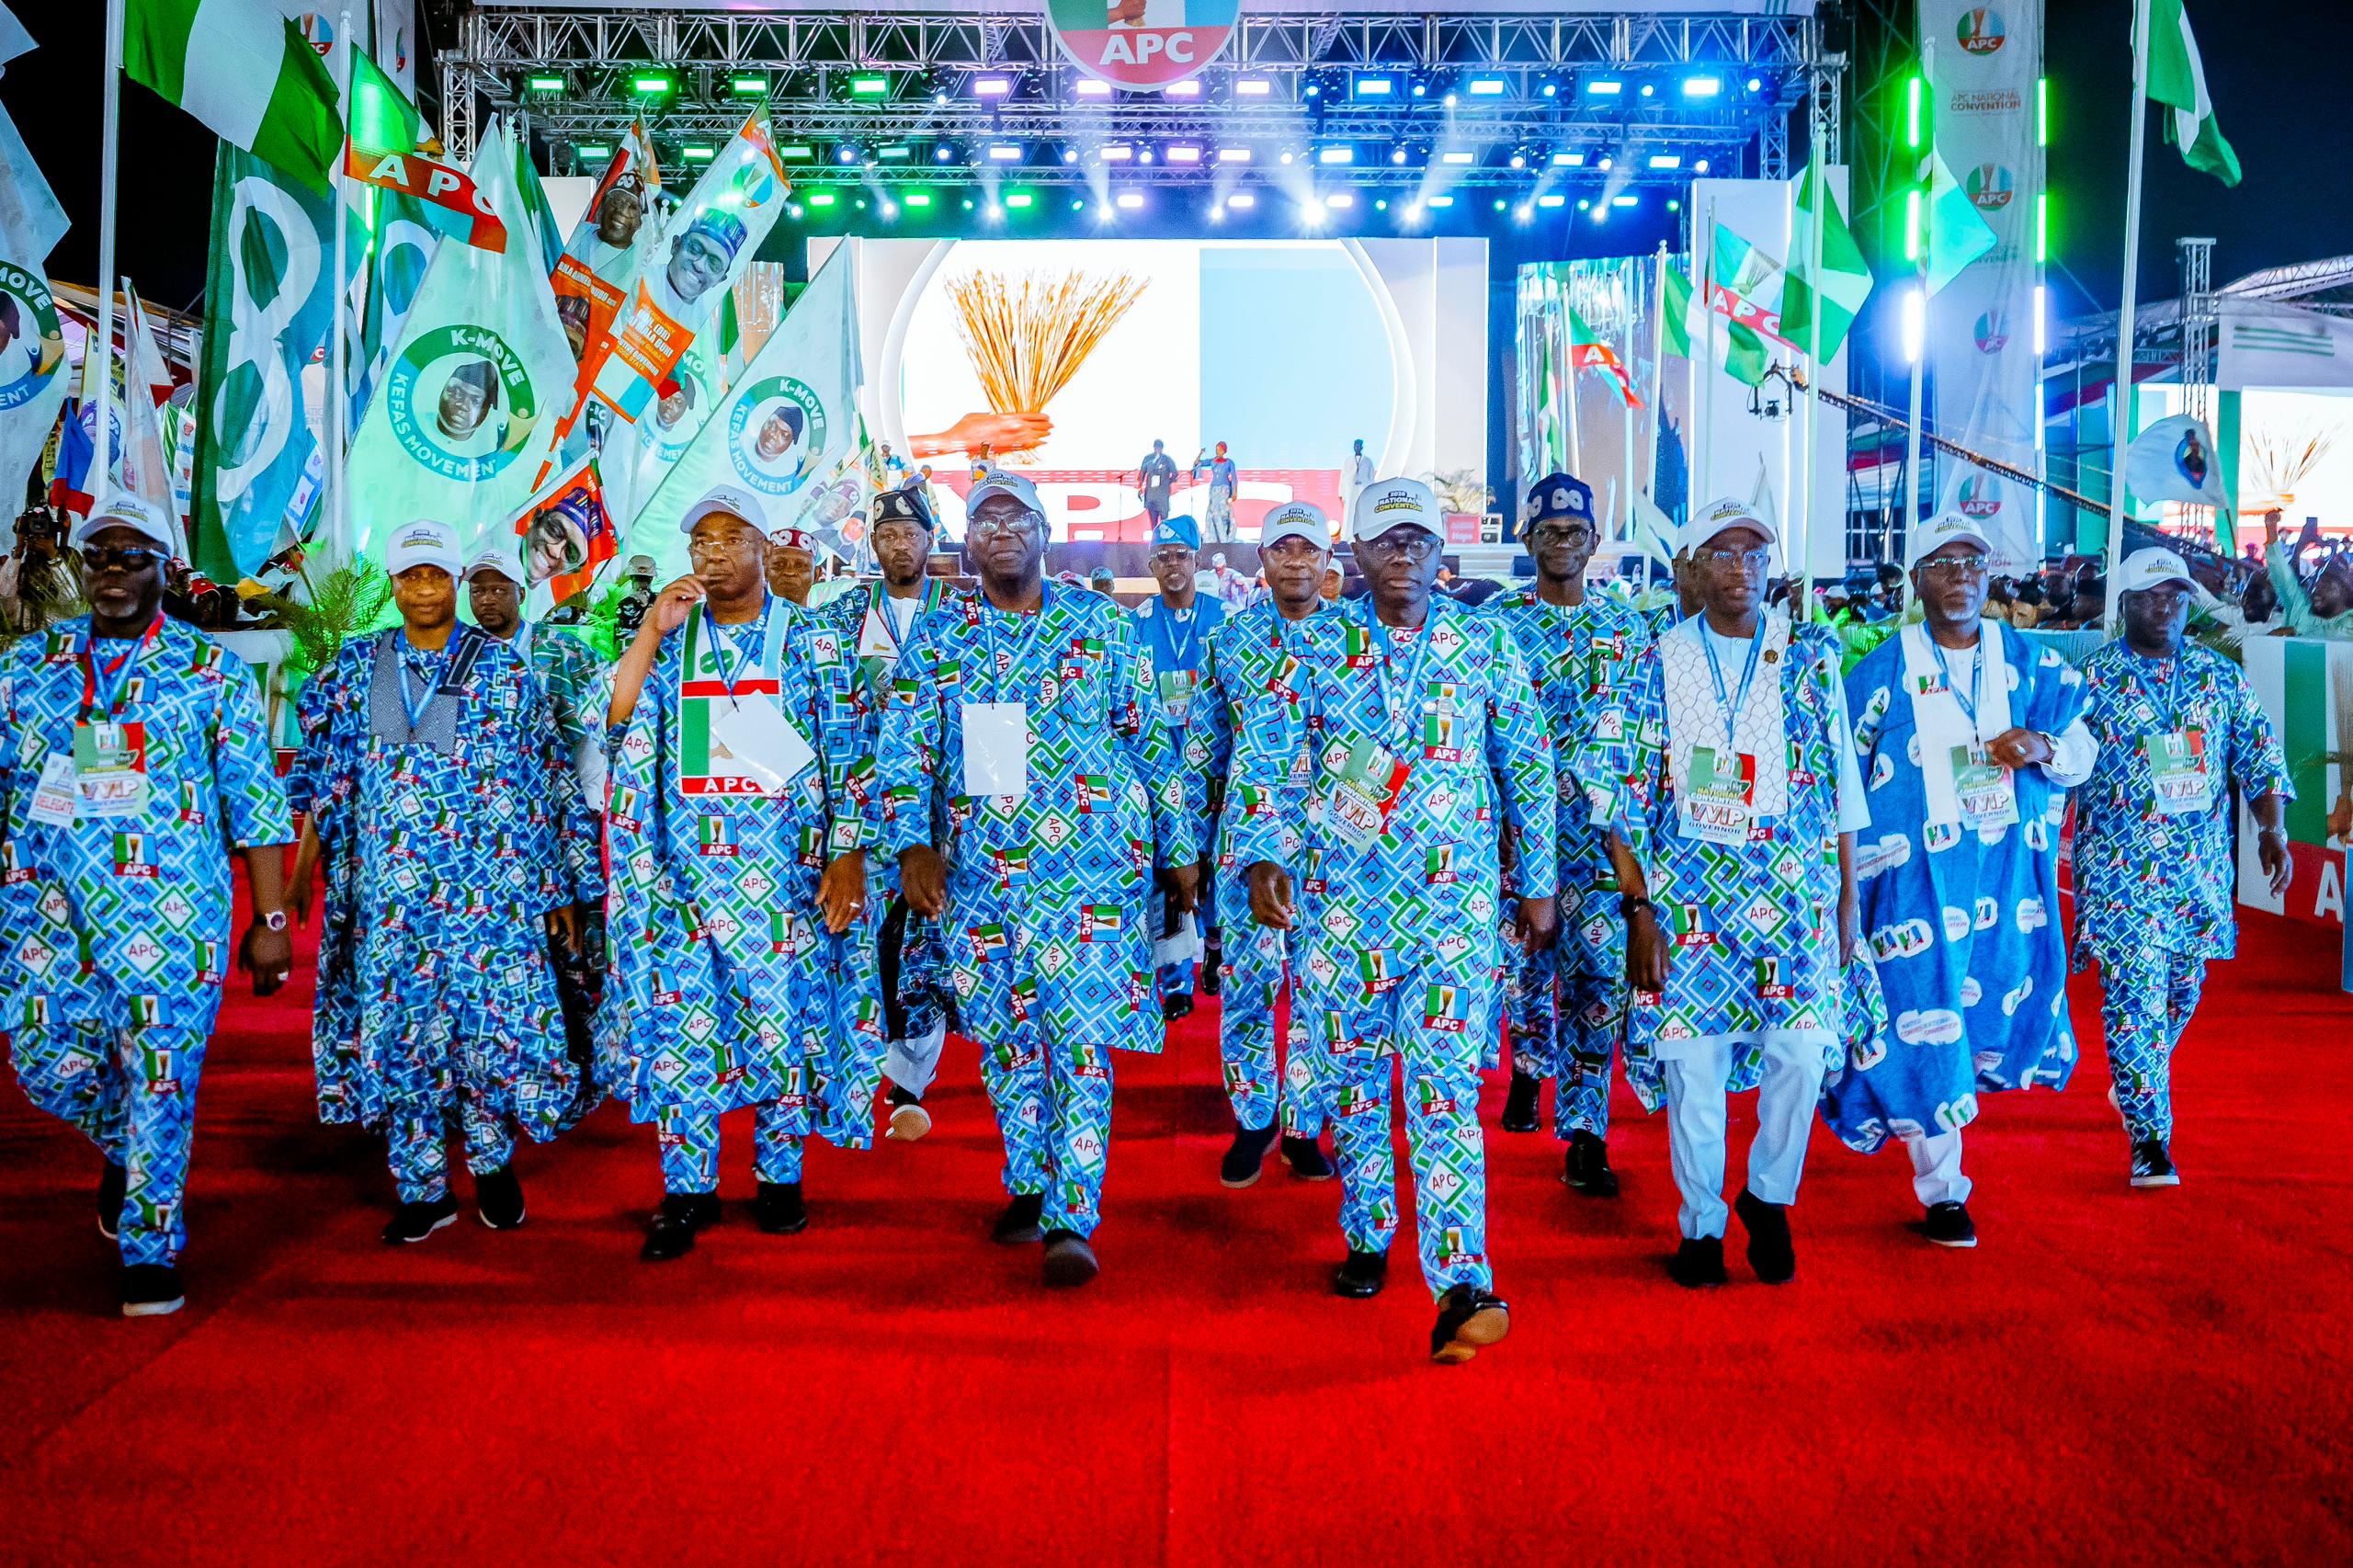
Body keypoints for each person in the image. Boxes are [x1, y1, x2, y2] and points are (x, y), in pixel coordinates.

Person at [1235, 476, 1558, 1363]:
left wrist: (1537, 882)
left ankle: (1461, 1282)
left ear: (1441, 551)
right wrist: (1263, 855)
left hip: (1454, 912)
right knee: (1355, 1089)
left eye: (1418, 539)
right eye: (1387, 541)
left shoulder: (1483, 643)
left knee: (1445, 1091)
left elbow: (1526, 764)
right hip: (1342, 913)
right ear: (1356, 554)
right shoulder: (1311, 646)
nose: (1404, 554)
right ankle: (1368, 1230)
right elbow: (1269, 761)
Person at [876, 470, 1199, 1289]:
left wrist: (1180, 846)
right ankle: (1029, 1181)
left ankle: (1072, 1216)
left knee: (1081, 1040)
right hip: (985, 876)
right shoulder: (941, 639)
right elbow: (905, 751)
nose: (1002, 531)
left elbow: (1150, 741)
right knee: (1009, 1040)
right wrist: (911, 844)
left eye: (1017, 517)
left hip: (1096, 872)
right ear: (967, 544)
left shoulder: (1104, 625)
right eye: (985, 520)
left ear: (1047, 534)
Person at [0, 495, 293, 1317]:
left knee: (162, 1077)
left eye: (132, 557)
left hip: (171, 915)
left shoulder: (210, 673)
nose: (113, 572)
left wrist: (270, 921)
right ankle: (132, 1151)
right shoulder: (29, 667)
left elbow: (257, 803)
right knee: (43, 1062)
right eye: (99, 556)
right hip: (45, 911)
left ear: (166, 569)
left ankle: (150, 1251)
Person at [290, 518, 601, 1244]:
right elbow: (327, 778)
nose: (424, 588)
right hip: (391, 905)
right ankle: (423, 1188)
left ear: (455, 581)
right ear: (394, 584)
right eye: (411, 576)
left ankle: (491, 1164)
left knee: (486, 1033)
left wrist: (565, 887)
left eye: (436, 574)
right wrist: (303, 870)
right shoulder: (361, 666)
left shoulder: (503, 672)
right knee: (403, 1039)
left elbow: (547, 781)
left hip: (490, 900)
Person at [1597, 497, 1875, 1290]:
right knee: (1695, 1069)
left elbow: (1842, 782)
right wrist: (1639, 909)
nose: (1741, 569)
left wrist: (1847, 896)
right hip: (1686, 901)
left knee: (1804, 1052)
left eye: (1755, 555)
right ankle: (1701, 1226)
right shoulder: (1655, 660)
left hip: (1794, 898)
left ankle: (1769, 1195)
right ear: (1691, 568)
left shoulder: (1809, 658)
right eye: (1722, 553)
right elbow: (1617, 794)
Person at [600, 485, 883, 1259]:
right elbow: (618, 723)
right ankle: (687, 1191)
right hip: (685, 885)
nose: (714, 553)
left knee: (782, 1024)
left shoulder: (811, 639)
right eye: (702, 542)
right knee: (685, 1032)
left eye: (731, 539)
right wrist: (650, 632)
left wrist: (848, 853)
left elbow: (853, 753)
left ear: (764, 546)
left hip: (785, 883)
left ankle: (779, 1177)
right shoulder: (675, 642)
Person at [1825, 514, 2097, 1246]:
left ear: (1990, 577)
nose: (1960, 579)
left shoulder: (2032, 661)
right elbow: (1838, 780)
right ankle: (1944, 1189)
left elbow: (2083, 751)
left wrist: (2043, 745)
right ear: (1917, 582)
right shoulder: (1879, 672)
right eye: (1943, 565)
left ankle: (1944, 1136)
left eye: (1973, 564)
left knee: (1992, 1014)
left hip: (2008, 881)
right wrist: (1844, 886)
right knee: (1925, 1019)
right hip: (1913, 885)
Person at [2072, 547, 2293, 1187]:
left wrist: (2272, 830)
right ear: (2125, 604)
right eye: (2149, 596)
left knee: (2181, 992)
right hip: (2118, 871)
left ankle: (2137, 1074)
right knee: (2134, 997)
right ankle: (2150, 1139)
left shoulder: (2219, 677)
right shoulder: (2090, 681)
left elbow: (2260, 757)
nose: (2164, 607)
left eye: (2175, 595)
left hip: (2198, 871)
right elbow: (2059, 764)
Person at [1483, 473, 1654, 1198]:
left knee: (1598, 983)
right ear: (1527, 540)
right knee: (1525, 968)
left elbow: (1644, 737)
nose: (1562, 542)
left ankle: (1587, 1133)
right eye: (1549, 531)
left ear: (1594, 540)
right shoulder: (1494, 624)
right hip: (1520, 834)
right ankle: (1529, 1068)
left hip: (1601, 841)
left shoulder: (1628, 628)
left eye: (1575, 531)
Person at [1186, 501, 1339, 1187]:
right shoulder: (1230, 641)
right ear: (1263, 560)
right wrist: (1190, 846)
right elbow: (1204, 750)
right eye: (1283, 549)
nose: (1296, 561)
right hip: (1247, 847)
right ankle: (1253, 1120)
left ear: (1328, 560)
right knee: (1248, 984)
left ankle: (1304, 1125)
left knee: (1320, 989)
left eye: (1309, 548)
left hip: (1338, 847)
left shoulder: (1358, 641)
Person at [817, 483, 963, 1142]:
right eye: (886, 536)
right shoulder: (842, 615)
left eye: (910, 534)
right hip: (862, 802)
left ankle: (910, 1081)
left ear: (930, 540)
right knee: (864, 936)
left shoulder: (960, 614)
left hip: (939, 809)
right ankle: (857, 1067)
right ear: (872, 544)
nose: (899, 546)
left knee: (927, 934)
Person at [1132, 510, 1224, 1018]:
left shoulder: (1225, 617)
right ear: (1151, 564)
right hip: (1158, 764)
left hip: (1213, 766)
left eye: (1181, 556)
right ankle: (1174, 980)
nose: (1173, 565)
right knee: (1165, 870)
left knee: (1212, 863)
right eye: (1163, 557)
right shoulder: (1136, 622)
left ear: (1196, 561)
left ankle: (1213, 946)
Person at [2265, 512, 2353, 638]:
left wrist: (2295, 631)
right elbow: (2282, 573)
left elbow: (2333, 633)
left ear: (2344, 593)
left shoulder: (2349, 620)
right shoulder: (2301, 606)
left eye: (2327, 586)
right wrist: (2271, 529)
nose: (2316, 591)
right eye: (2316, 585)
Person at [435, 359, 499, 444]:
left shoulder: (490, 443)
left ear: (487, 409)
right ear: (442, 391)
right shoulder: (418, 423)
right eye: (455, 393)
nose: (463, 405)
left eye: (475, 401)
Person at [1199, 442, 1238, 544]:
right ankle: (1212, 536)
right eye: (1217, 450)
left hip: (1224, 489)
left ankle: (1224, 537)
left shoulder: (1229, 462)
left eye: (1220, 450)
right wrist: (1200, 453)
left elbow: (1234, 478)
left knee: (1222, 512)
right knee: (1212, 511)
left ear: (1224, 451)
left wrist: (1234, 492)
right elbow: (1198, 463)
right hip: (1213, 489)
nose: (1218, 452)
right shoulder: (1213, 461)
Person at [767, 526, 816, 607]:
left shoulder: (830, 614)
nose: (789, 572)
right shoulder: (749, 613)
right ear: (766, 571)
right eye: (779, 564)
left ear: (816, 574)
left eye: (799, 565)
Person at [1138, 439, 1178, 530]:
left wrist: (1168, 482)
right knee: (1153, 522)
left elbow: (1175, 473)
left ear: (1162, 448)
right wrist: (1140, 488)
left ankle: (1163, 537)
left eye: (1159, 447)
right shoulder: (1148, 459)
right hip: (1151, 495)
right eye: (1156, 447)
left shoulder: (1167, 459)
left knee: (1164, 521)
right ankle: (1154, 537)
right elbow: (1141, 475)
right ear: (1154, 447)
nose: (1157, 449)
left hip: (1162, 495)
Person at [1342, 437, 1374, 529]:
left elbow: (1371, 477)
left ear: (1361, 447)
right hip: (1350, 489)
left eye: (1359, 446)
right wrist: (1342, 493)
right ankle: (1347, 534)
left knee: (1362, 510)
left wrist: (1371, 492)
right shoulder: (1348, 460)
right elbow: (1343, 476)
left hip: (1363, 489)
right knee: (1349, 511)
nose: (1357, 448)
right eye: (1356, 446)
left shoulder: (1368, 461)